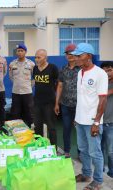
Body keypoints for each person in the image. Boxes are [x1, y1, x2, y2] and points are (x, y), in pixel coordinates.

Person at [71, 43, 108, 190]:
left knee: (95, 152)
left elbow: (103, 99)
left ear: (89, 56)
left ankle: (98, 181)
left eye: (79, 56)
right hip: (80, 120)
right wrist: (76, 117)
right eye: (76, 56)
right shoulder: (80, 72)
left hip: (92, 121)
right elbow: (82, 98)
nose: (76, 58)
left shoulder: (100, 74)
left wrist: (97, 122)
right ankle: (86, 174)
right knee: (83, 149)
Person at [54, 44, 80, 158]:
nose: (70, 55)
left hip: (80, 106)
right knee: (66, 128)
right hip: (65, 105)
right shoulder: (63, 69)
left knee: (80, 130)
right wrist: (56, 103)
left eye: (72, 53)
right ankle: (67, 151)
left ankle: (81, 153)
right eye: (67, 53)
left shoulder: (82, 69)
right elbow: (60, 86)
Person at [33, 49, 58, 145]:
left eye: (39, 57)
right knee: (37, 126)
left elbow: (58, 84)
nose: (36, 59)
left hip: (49, 102)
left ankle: (53, 148)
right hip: (37, 102)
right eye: (35, 57)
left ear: (45, 57)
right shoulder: (35, 69)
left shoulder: (53, 68)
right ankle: (39, 146)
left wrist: (56, 102)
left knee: (51, 127)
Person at [9, 44, 35, 127]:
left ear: (25, 52)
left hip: (27, 92)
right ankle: (17, 132)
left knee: (29, 114)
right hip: (16, 92)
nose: (20, 52)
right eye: (18, 51)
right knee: (15, 114)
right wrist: (18, 85)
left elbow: (34, 78)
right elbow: (11, 77)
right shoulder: (12, 64)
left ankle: (32, 132)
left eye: (21, 51)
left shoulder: (31, 64)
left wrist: (28, 87)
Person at [100, 61, 113, 178]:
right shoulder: (100, 83)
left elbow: (104, 94)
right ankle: (102, 171)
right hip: (98, 122)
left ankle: (111, 173)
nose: (107, 73)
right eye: (104, 70)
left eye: (109, 70)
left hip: (111, 124)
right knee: (99, 149)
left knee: (110, 151)